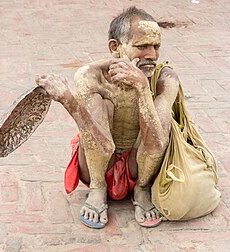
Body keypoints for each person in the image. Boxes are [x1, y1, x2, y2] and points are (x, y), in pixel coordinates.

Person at [36, 6, 180, 229]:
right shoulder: (91, 76)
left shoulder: (164, 77)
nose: (151, 54)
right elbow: (102, 146)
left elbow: (157, 144)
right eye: (142, 46)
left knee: (163, 117)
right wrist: (68, 100)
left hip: (141, 166)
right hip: (98, 164)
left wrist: (143, 88)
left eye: (156, 46)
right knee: (99, 105)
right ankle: (97, 188)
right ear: (115, 48)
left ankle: (141, 190)